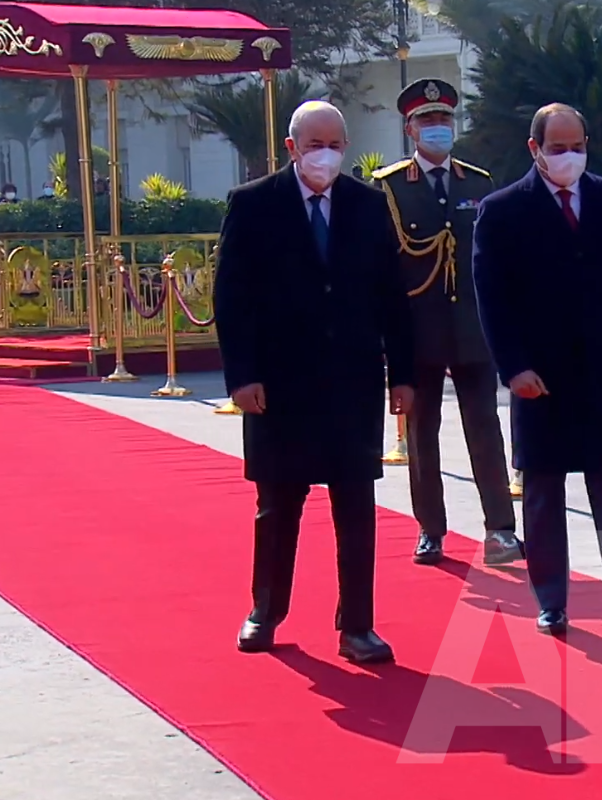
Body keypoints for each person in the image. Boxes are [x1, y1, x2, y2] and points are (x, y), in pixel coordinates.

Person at [213, 100, 416, 665]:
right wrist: (242, 376)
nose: (325, 155)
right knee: (279, 505)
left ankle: (357, 627)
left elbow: (391, 299)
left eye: (335, 144)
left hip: (351, 382)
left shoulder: (369, 206)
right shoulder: (254, 205)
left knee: (356, 507)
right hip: (280, 385)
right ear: (291, 147)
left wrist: (403, 374)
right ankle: (265, 612)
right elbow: (231, 298)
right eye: (315, 144)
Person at [471, 103, 602, 636]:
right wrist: (513, 368)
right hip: (540, 376)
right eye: (558, 149)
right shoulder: (503, 210)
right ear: (535, 150)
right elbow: (493, 299)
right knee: (543, 491)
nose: (569, 157)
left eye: (577, 146)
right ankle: (552, 600)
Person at [371, 78, 522, 567]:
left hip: (473, 329)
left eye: (444, 119)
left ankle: (500, 529)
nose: (438, 127)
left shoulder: (478, 183)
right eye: (427, 120)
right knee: (422, 434)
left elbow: (495, 259)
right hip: (419, 332)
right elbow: (386, 269)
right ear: (410, 128)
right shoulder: (390, 187)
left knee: (485, 428)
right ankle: (430, 528)